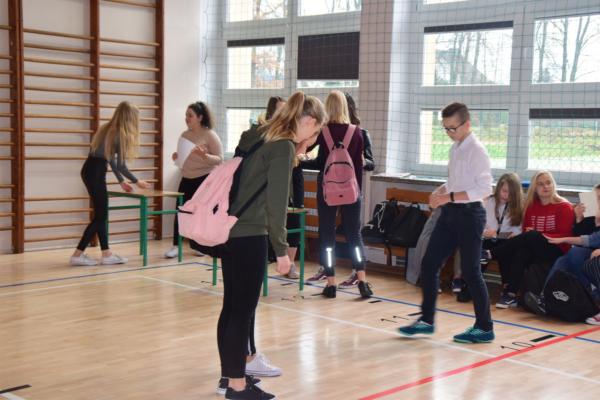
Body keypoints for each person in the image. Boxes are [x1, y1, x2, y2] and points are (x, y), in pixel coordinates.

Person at [216, 91, 325, 400]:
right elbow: (277, 205)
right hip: (251, 234)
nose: (313, 140)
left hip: (230, 230)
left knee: (231, 308)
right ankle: (237, 387)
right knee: (242, 312)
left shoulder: (257, 135)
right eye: (316, 131)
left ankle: (230, 377)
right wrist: (281, 250)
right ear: (308, 121)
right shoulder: (282, 146)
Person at [398, 102, 495, 344]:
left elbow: (484, 189)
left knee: (471, 272)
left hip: (470, 215)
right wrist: (439, 192)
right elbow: (455, 182)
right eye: (446, 129)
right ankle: (426, 320)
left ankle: (485, 327)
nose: (450, 133)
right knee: (429, 264)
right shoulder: (456, 148)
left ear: (467, 124)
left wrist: (448, 197)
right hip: (450, 213)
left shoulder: (477, 151)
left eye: (453, 128)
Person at [303, 90, 372, 299]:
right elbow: (361, 164)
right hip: (352, 190)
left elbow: (315, 159)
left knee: (327, 235)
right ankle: (362, 280)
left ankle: (331, 282)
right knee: (354, 235)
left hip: (328, 190)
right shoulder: (357, 132)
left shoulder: (322, 132)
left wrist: (302, 161)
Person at [70, 101, 150, 266]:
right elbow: (121, 165)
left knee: (101, 215)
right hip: (96, 172)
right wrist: (137, 181)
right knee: (101, 216)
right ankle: (77, 254)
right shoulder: (121, 134)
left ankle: (106, 254)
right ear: (130, 118)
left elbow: (110, 159)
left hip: (89, 169)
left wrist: (121, 181)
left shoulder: (107, 128)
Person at [491, 171, 574, 308]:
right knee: (522, 251)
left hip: (557, 250)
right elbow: (526, 231)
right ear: (535, 188)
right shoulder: (531, 207)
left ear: (553, 184)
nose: (545, 186)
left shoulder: (564, 206)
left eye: (548, 183)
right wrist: (532, 234)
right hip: (535, 248)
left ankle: (491, 254)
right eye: (540, 184)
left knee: (532, 236)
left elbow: (564, 235)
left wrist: (538, 234)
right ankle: (511, 294)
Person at [524, 184, 600, 315]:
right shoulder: (590, 216)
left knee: (575, 253)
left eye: (598, 197)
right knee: (563, 259)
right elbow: (579, 235)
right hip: (585, 253)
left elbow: (590, 240)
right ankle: (544, 298)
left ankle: (591, 298)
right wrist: (578, 219)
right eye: (595, 197)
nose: (596, 200)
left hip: (591, 254)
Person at [164, 101, 223, 258]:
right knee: (181, 211)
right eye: (186, 115)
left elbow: (219, 159)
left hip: (204, 179)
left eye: (190, 115)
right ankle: (176, 246)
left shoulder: (210, 135)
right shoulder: (185, 135)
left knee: (200, 213)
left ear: (200, 117)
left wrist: (205, 155)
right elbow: (182, 158)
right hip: (186, 178)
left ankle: (199, 245)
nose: (187, 118)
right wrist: (176, 157)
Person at [453, 173, 524, 297]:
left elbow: (516, 233)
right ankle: (470, 284)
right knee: (478, 250)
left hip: (504, 243)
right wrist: (485, 232)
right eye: (504, 191)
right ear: (498, 188)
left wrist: (498, 234)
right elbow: (476, 225)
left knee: (506, 251)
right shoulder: (487, 201)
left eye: (511, 193)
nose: (506, 195)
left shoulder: (519, 207)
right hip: (486, 239)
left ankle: (507, 288)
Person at [337, 92, 376, 289]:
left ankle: (357, 271)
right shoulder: (330, 132)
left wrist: (362, 161)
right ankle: (326, 269)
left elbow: (371, 163)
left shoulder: (361, 133)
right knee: (327, 230)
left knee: (353, 233)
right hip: (332, 189)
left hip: (352, 190)